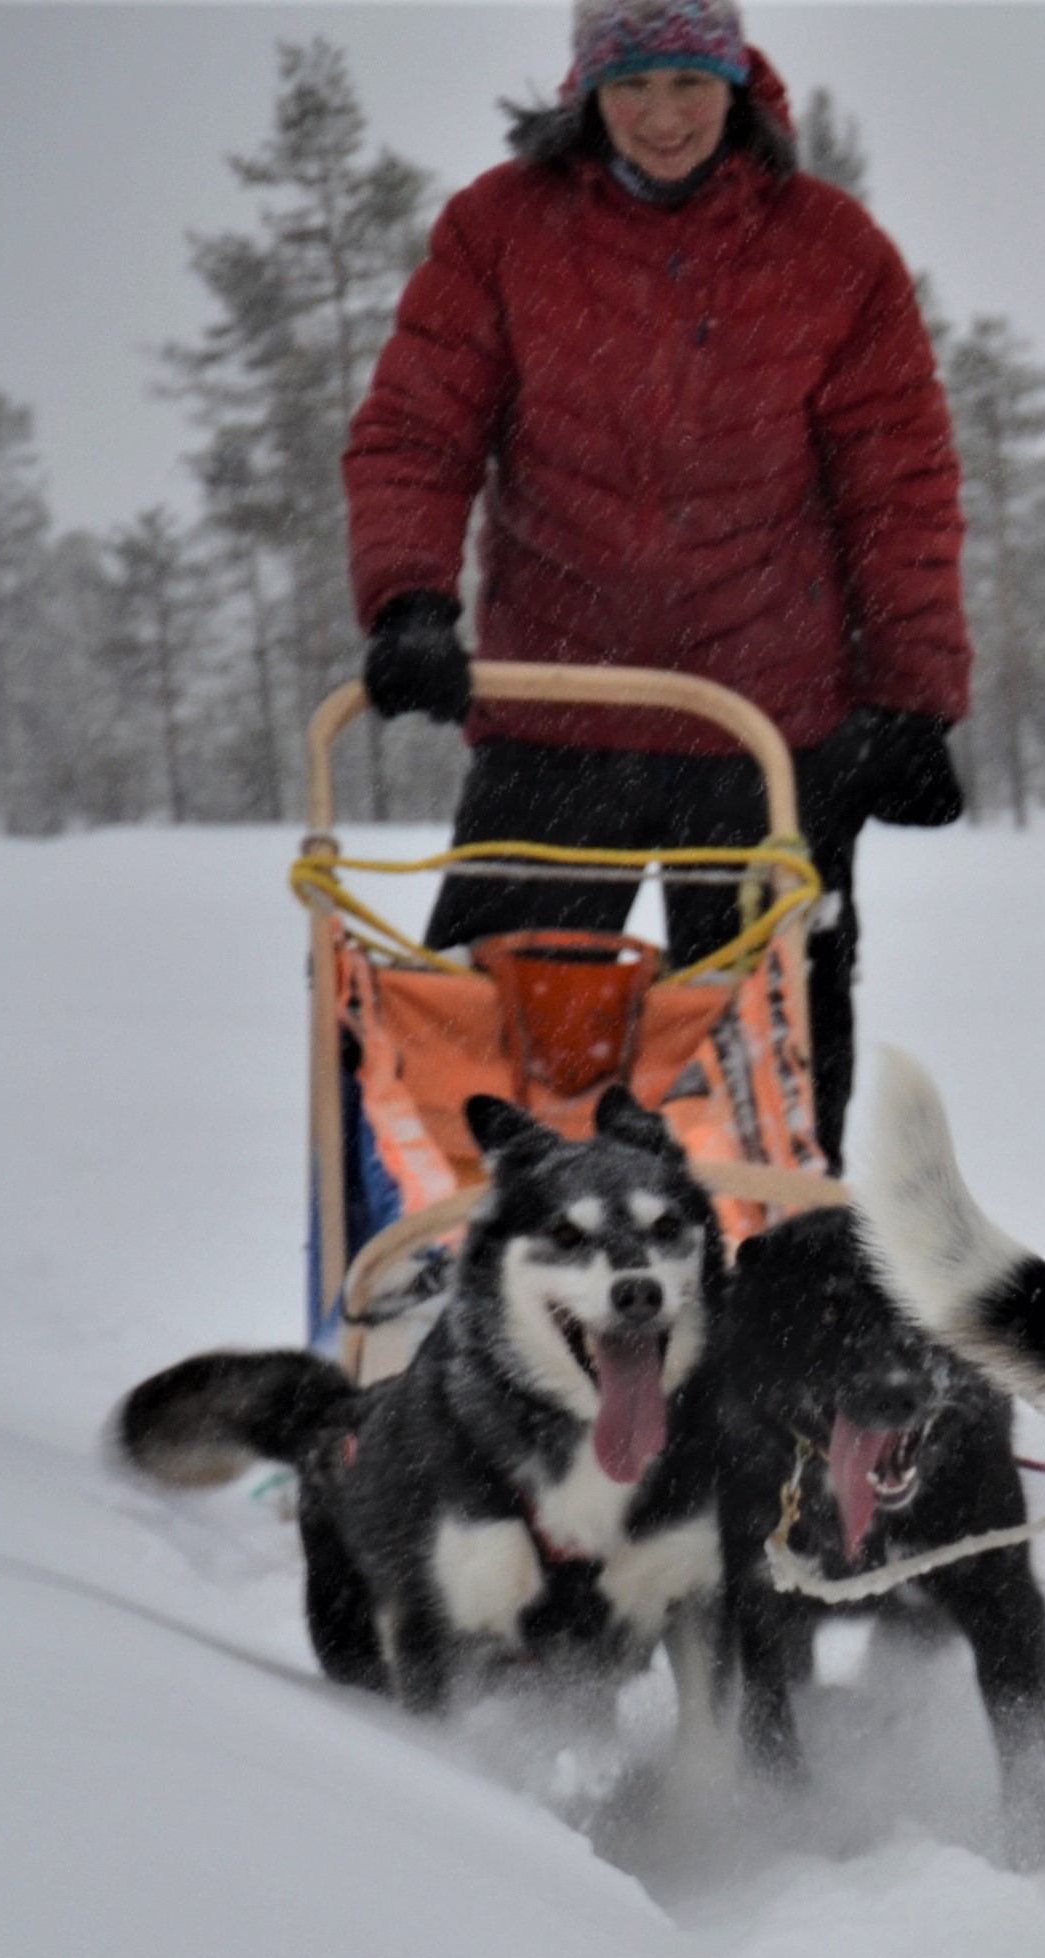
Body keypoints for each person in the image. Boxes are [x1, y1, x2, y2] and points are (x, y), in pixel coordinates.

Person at [343, 0, 967, 1166]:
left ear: (735, 79)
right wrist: (411, 599)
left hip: (765, 733)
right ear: (587, 89)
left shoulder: (830, 251)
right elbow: (418, 430)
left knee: (768, 1074)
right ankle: (458, 1248)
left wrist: (911, 698)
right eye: (632, 85)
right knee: (486, 1060)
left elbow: (899, 484)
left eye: (689, 82)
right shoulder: (502, 229)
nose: (663, 116)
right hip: (556, 717)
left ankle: (774, 1264)